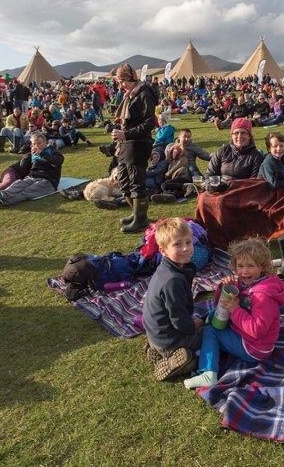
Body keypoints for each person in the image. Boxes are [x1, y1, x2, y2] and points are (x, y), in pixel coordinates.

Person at [184, 237, 284, 389]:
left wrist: (235, 310)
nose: (244, 271)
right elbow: (222, 305)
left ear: (262, 267)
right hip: (243, 333)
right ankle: (204, 322)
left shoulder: (263, 296)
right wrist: (224, 289)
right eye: (240, 266)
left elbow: (257, 331)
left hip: (255, 348)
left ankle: (208, 373)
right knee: (215, 315)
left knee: (211, 332)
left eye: (250, 266)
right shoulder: (247, 282)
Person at [141, 218, 202, 381]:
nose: (185, 248)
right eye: (177, 244)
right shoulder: (173, 281)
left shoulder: (166, 268)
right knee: (210, 334)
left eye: (188, 242)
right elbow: (178, 317)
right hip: (169, 339)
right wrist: (193, 327)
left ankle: (155, 348)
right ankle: (180, 359)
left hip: (156, 334)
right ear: (163, 250)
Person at [110, 63, 159, 233]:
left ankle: (141, 219)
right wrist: (120, 137)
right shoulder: (130, 95)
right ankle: (136, 213)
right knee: (124, 180)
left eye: (122, 81)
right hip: (126, 144)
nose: (120, 85)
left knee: (136, 180)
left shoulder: (144, 93)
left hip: (138, 143)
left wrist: (126, 134)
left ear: (130, 78)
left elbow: (149, 123)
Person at [0, 132, 64, 209]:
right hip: (33, 177)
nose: (37, 146)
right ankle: (1, 195)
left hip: (48, 180)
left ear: (45, 143)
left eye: (39, 143)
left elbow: (58, 161)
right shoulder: (33, 154)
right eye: (34, 144)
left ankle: (0, 202)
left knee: (27, 191)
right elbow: (26, 167)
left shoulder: (52, 151)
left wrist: (42, 154)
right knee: (18, 184)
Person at [205, 117, 264, 187]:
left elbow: (253, 183)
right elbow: (210, 174)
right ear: (232, 135)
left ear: (249, 136)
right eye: (236, 133)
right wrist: (215, 187)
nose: (239, 136)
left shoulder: (256, 156)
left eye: (243, 133)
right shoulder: (222, 151)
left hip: (242, 192)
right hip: (219, 189)